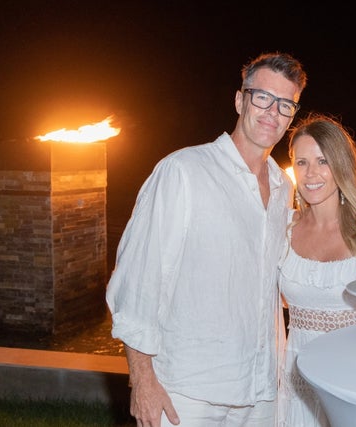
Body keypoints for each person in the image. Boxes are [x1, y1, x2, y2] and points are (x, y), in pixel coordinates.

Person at [106, 52, 307, 427]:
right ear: (240, 100)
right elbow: (139, 278)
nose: (272, 112)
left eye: (285, 104)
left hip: (261, 391)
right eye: (263, 97)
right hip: (189, 390)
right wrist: (143, 379)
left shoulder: (283, 188)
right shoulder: (184, 171)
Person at [277, 113, 356, 427]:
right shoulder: (283, 227)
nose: (311, 173)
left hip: (353, 375)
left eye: (322, 161)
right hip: (298, 381)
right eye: (302, 162)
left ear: (340, 165)